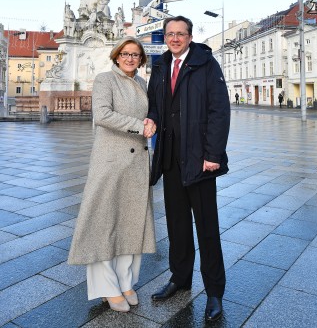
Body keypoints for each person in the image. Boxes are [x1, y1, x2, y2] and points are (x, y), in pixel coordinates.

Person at [146, 16, 230, 323]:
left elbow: (219, 110)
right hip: (170, 161)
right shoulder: (160, 66)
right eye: (170, 34)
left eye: (181, 33)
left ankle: (214, 292)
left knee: (207, 229)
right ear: (165, 37)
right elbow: (154, 104)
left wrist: (213, 154)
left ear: (190, 36)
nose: (175, 38)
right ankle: (180, 278)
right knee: (177, 226)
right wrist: (151, 118)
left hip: (199, 161)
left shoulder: (205, 63)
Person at [68, 37, 156, 313]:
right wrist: (139, 126)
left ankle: (126, 282)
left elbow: (148, 116)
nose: (130, 58)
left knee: (132, 223)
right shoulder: (106, 79)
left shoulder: (142, 83)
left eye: (135, 55)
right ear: (117, 56)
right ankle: (107, 287)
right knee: (104, 223)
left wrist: (151, 122)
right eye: (125, 54)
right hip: (110, 161)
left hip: (137, 164)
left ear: (141, 60)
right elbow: (103, 114)